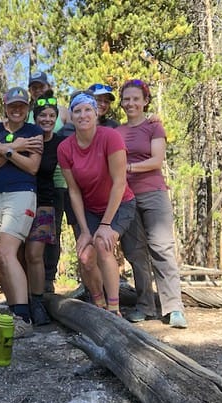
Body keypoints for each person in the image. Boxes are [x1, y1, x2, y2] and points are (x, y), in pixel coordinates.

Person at [117, 79, 188, 328]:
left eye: (136, 98)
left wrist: (127, 167)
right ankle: (145, 306)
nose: (131, 103)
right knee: (135, 253)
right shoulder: (118, 131)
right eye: (126, 99)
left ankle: (173, 308)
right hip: (126, 197)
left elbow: (156, 160)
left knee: (162, 248)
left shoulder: (154, 126)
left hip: (153, 192)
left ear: (145, 101)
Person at [57, 91, 136, 314]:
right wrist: (83, 229)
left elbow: (119, 183)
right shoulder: (65, 148)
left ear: (96, 113)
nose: (83, 115)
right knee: (85, 255)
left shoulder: (110, 138)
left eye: (88, 110)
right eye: (77, 110)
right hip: (90, 208)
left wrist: (105, 225)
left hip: (120, 203)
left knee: (103, 244)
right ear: (71, 116)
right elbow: (73, 191)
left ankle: (114, 308)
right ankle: (98, 302)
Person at [0, 87, 43, 337]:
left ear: (27, 108)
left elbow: (32, 167)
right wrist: (17, 148)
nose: (17, 109)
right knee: (0, 257)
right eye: (12, 105)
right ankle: (13, 312)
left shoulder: (34, 132)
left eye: (22, 105)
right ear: (5, 107)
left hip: (21, 193)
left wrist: (5, 150)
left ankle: (23, 317)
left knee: (8, 252)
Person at [25, 90, 65, 325]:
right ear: (35, 117)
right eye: (42, 116)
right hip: (21, 201)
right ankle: (22, 302)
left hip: (45, 204)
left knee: (35, 254)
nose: (47, 119)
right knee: (20, 255)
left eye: (51, 115)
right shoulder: (28, 137)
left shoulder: (60, 142)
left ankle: (38, 301)